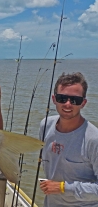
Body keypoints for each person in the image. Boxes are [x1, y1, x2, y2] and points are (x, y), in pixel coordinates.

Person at [39, 72, 98, 206]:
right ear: (54, 99)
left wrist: (63, 187)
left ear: (83, 103)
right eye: (62, 98)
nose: (67, 104)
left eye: (75, 100)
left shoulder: (94, 139)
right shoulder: (45, 125)